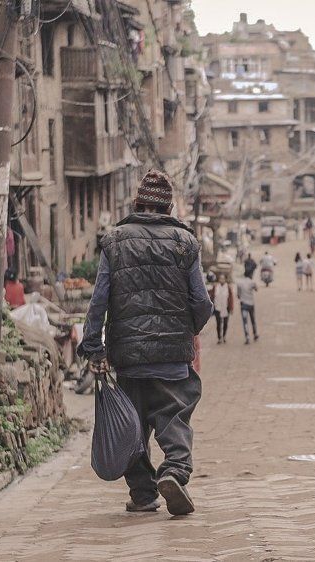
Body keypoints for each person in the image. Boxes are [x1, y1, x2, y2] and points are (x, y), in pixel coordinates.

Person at [78, 169, 213, 516]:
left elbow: (99, 301)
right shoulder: (186, 243)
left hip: (129, 356)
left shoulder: (115, 240)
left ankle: (143, 494)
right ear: (169, 208)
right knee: (174, 417)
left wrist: (94, 347)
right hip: (172, 357)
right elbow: (201, 302)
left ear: (137, 204)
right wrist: (187, 330)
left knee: (133, 425)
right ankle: (175, 472)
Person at [236, 270, 259, 344]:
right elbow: (256, 289)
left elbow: (238, 295)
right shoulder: (252, 282)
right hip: (251, 304)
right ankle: (255, 334)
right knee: (253, 320)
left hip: (243, 305)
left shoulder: (239, 283)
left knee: (245, 322)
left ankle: (247, 337)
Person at [210, 273, 232, 344]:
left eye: (223, 278)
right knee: (218, 323)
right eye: (220, 278)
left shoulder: (228, 287)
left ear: (225, 279)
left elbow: (231, 298)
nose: (222, 280)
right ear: (219, 279)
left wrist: (231, 307)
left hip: (226, 308)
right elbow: (212, 297)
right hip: (217, 308)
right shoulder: (216, 287)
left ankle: (224, 336)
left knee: (225, 323)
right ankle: (219, 337)